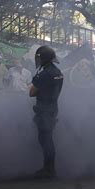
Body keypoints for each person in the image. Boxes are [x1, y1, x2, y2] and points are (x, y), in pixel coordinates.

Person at [29, 45, 63, 178]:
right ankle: (49, 168)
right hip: (52, 108)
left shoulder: (44, 74)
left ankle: (49, 169)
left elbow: (31, 92)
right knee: (48, 139)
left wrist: (35, 80)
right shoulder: (58, 72)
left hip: (44, 110)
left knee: (45, 140)